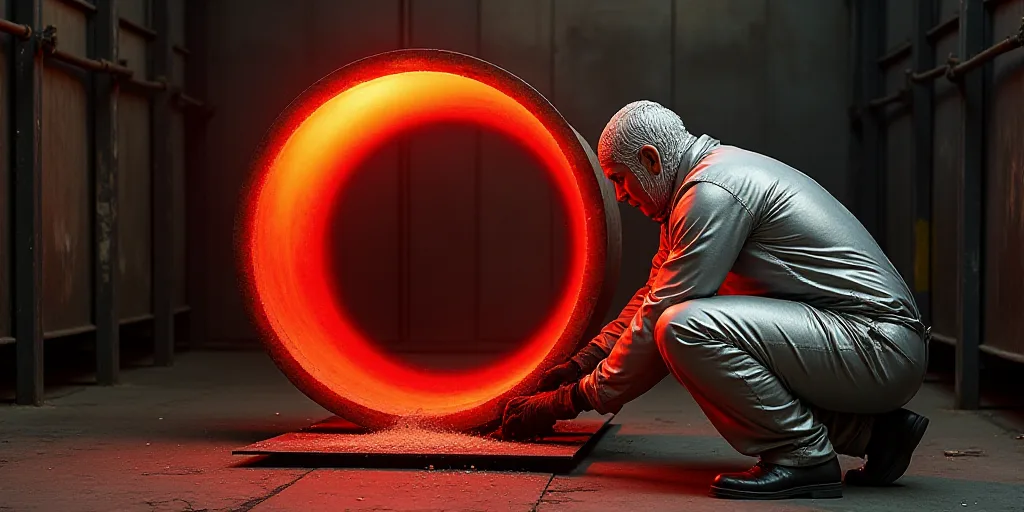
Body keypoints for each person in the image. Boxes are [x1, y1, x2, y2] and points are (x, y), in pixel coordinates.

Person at [496, 100, 931, 500]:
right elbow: (651, 297)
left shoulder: (711, 191)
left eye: (620, 180)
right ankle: (877, 436)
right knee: (679, 324)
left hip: (880, 346)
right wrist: (582, 361)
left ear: (651, 159)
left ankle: (800, 456)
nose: (621, 196)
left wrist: (571, 399)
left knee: (684, 329)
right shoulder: (697, 189)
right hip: (864, 342)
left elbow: (662, 316)